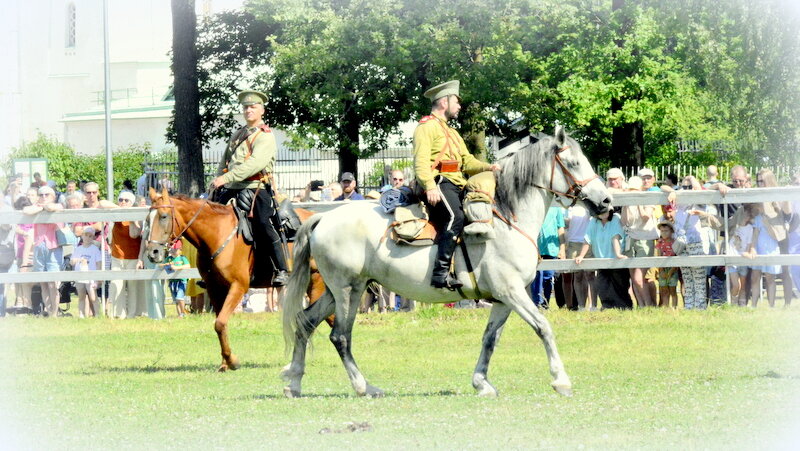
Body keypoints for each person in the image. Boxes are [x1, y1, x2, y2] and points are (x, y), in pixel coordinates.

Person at [413, 80, 500, 289]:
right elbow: (420, 161)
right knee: (455, 217)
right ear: (444, 101)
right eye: (457, 101)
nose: (460, 106)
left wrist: (489, 167)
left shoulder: (452, 132)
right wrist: (429, 186)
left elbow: (467, 162)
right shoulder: (426, 127)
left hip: (456, 184)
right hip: (438, 183)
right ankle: (440, 274)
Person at [211, 89, 289, 286]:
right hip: (231, 187)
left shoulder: (265, 136)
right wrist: (219, 178)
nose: (248, 110)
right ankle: (213, 270)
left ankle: (282, 269)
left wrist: (226, 177)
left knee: (263, 223)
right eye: (245, 107)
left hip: (256, 187)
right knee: (210, 222)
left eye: (253, 107)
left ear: (262, 110)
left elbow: (254, 164)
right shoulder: (238, 134)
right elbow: (225, 160)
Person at [669, 176, 720, 310]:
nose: (687, 190)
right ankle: (689, 307)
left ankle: (700, 308)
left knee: (698, 278)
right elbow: (664, 187)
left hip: (696, 242)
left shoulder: (699, 202)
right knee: (687, 278)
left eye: (689, 187)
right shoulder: (677, 202)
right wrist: (674, 191)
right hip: (681, 242)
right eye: (684, 187)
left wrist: (690, 178)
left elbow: (698, 189)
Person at [574, 209, 630, 309]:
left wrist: (618, 254)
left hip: (615, 260)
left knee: (619, 285)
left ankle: (623, 307)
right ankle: (607, 306)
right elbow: (587, 239)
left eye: (605, 211)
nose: (602, 213)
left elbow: (615, 237)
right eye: (600, 211)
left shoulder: (616, 218)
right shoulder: (593, 221)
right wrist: (581, 255)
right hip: (601, 260)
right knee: (603, 286)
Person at [23, 185, 65, 317]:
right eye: (41, 195)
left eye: (47, 195)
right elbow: (26, 210)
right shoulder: (36, 207)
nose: (43, 197)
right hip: (39, 246)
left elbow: (52, 207)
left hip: (53, 246)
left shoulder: (59, 205)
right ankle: (48, 309)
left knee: (53, 282)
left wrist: (42, 206)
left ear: (53, 196)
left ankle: (54, 312)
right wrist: (39, 206)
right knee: (43, 282)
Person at [621, 176, 657, 307]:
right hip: (631, 238)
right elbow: (624, 221)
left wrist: (638, 202)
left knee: (639, 276)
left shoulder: (647, 198)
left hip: (645, 239)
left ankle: (648, 304)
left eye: (634, 189)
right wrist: (625, 205)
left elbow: (646, 217)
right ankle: (641, 304)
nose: (632, 192)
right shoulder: (627, 202)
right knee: (633, 276)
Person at [108, 191, 145, 318]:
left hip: (133, 256)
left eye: (126, 200)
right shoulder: (116, 213)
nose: (123, 202)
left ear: (132, 203)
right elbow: (102, 203)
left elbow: (134, 234)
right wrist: (118, 208)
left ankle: (132, 314)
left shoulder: (137, 215)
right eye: (120, 199)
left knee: (133, 287)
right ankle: (119, 314)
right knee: (117, 285)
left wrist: (132, 219)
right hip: (117, 256)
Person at [562, 204, 597, 310]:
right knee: (577, 276)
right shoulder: (569, 206)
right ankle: (581, 306)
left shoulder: (587, 204)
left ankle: (594, 305)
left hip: (588, 241)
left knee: (590, 275)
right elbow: (566, 223)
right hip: (573, 242)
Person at [530, 206, 565, 309]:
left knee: (548, 277)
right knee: (536, 277)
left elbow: (560, 227)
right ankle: (537, 303)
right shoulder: (536, 204)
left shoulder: (556, 207)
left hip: (552, 248)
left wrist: (562, 248)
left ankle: (545, 304)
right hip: (536, 247)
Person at [71, 226, 102, 318]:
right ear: (82, 236)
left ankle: (97, 314)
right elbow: (72, 261)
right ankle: (81, 314)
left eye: (90, 236)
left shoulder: (95, 249)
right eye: (86, 235)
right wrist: (77, 260)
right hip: (80, 275)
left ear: (92, 237)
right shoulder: (78, 249)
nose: (87, 238)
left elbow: (99, 263)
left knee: (93, 297)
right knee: (81, 296)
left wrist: (98, 278)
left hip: (91, 276)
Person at [653, 220, 679, 308]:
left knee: (673, 290)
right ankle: (666, 307)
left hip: (672, 268)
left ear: (671, 231)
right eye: (662, 231)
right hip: (663, 269)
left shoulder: (675, 242)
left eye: (666, 231)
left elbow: (676, 256)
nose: (664, 233)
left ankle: (674, 307)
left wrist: (672, 270)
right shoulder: (659, 243)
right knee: (664, 290)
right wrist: (661, 270)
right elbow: (659, 256)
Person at [161, 240, 190, 317]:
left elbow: (187, 266)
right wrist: (166, 266)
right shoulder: (168, 259)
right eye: (172, 249)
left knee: (180, 297)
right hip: (172, 282)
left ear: (180, 249)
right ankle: (179, 314)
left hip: (181, 281)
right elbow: (164, 266)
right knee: (176, 300)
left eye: (175, 249)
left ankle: (183, 313)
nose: (173, 251)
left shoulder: (182, 258)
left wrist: (177, 267)